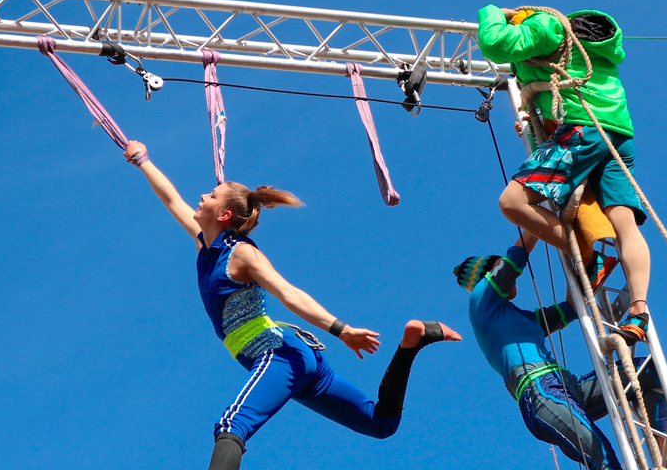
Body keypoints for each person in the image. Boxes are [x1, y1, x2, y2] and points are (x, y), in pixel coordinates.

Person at [122, 141, 461, 470]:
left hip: (278, 354)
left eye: (210, 196)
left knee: (231, 425)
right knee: (380, 423)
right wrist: (143, 161)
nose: (200, 196)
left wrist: (341, 330)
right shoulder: (205, 245)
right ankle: (413, 342)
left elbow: (289, 293)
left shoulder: (240, 253)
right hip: (296, 361)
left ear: (224, 214)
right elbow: (171, 198)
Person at [477, 5, 651, 342]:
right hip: (616, 135)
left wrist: (492, 12)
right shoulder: (586, 48)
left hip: (582, 131)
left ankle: (589, 258)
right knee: (624, 224)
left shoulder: (547, 26)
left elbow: (495, 44)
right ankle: (639, 309)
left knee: (512, 202)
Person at [454, 230, 667, 470]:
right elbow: (515, 259)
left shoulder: (522, 319)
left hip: (569, 386)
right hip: (539, 391)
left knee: (649, 371)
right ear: (486, 276)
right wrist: (536, 222)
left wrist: (580, 264)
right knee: (602, 456)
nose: (513, 278)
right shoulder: (480, 304)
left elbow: (571, 308)